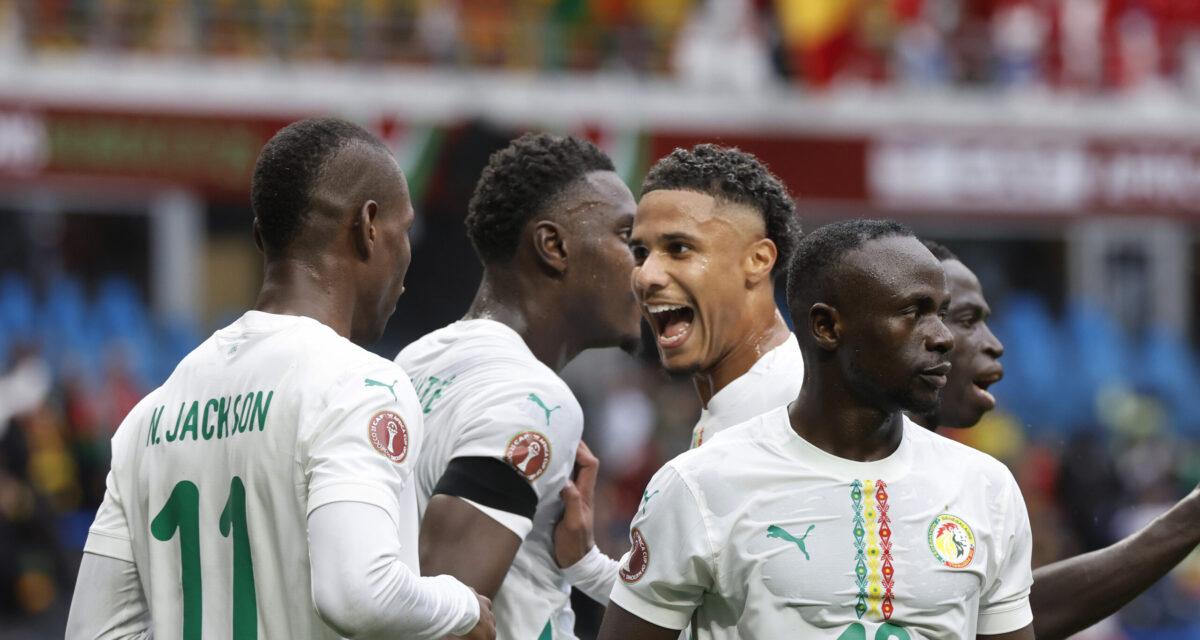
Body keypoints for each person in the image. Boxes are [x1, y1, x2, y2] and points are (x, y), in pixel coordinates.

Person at [65, 118, 494, 640]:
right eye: (404, 232)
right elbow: (358, 594)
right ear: (368, 226)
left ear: (260, 240)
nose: (406, 265)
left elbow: (92, 631)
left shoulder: (150, 416)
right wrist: (462, 607)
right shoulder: (360, 387)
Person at [598, 219, 1036, 639]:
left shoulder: (987, 489)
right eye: (913, 312)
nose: (943, 337)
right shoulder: (700, 485)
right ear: (826, 326)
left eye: (940, 313)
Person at [397, 132, 642, 639]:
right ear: (554, 246)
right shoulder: (534, 402)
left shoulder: (416, 360)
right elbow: (440, 625)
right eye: (627, 239)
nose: (647, 269)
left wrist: (586, 564)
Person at [913, 240, 1200, 640]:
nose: (995, 344)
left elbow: (1007, 616)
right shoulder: (837, 482)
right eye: (967, 320)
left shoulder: (976, 482)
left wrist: (1189, 518)